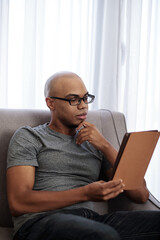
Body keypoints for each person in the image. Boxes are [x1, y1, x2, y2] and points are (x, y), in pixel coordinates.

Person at [7, 71, 160, 240]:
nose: (83, 106)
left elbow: (140, 195)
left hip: (92, 220)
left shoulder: (95, 142)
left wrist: (105, 145)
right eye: (73, 99)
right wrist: (85, 193)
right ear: (51, 103)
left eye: (85, 98)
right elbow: (19, 202)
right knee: (102, 235)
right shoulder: (29, 137)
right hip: (41, 221)